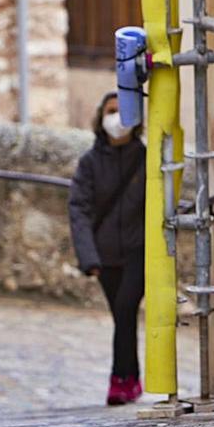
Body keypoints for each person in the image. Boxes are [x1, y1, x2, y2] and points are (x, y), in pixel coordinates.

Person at [68, 92, 147, 406]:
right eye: (110, 111)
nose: (116, 118)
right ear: (101, 117)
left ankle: (119, 380)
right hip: (105, 255)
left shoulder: (145, 157)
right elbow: (79, 210)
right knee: (121, 317)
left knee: (126, 309)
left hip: (138, 251)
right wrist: (88, 258)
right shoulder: (89, 163)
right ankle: (133, 378)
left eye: (122, 111)